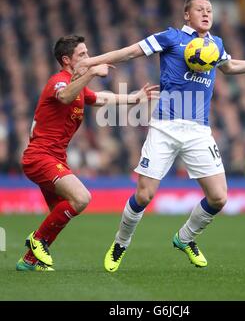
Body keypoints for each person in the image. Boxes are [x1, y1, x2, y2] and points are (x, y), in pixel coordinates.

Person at [74, 0, 245, 272]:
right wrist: (91, 62)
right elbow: (130, 51)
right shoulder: (170, 38)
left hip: (198, 130)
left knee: (219, 197)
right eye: (200, 9)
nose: (206, 13)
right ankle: (121, 243)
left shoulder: (216, 44)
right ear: (187, 15)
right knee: (144, 195)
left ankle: (185, 238)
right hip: (165, 126)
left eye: (210, 9)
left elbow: (230, 67)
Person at [16, 34, 159, 271]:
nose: (89, 58)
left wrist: (133, 98)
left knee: (59, 214)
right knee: (81, 198)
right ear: (66, 60)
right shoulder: (59, 81)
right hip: (40, 157)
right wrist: (92, 73)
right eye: (82, 55)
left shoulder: (78, 87)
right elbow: (64, 96)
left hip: (54, 158)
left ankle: (30, 260)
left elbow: (101, 97)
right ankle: (37, 240)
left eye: (88, 53)